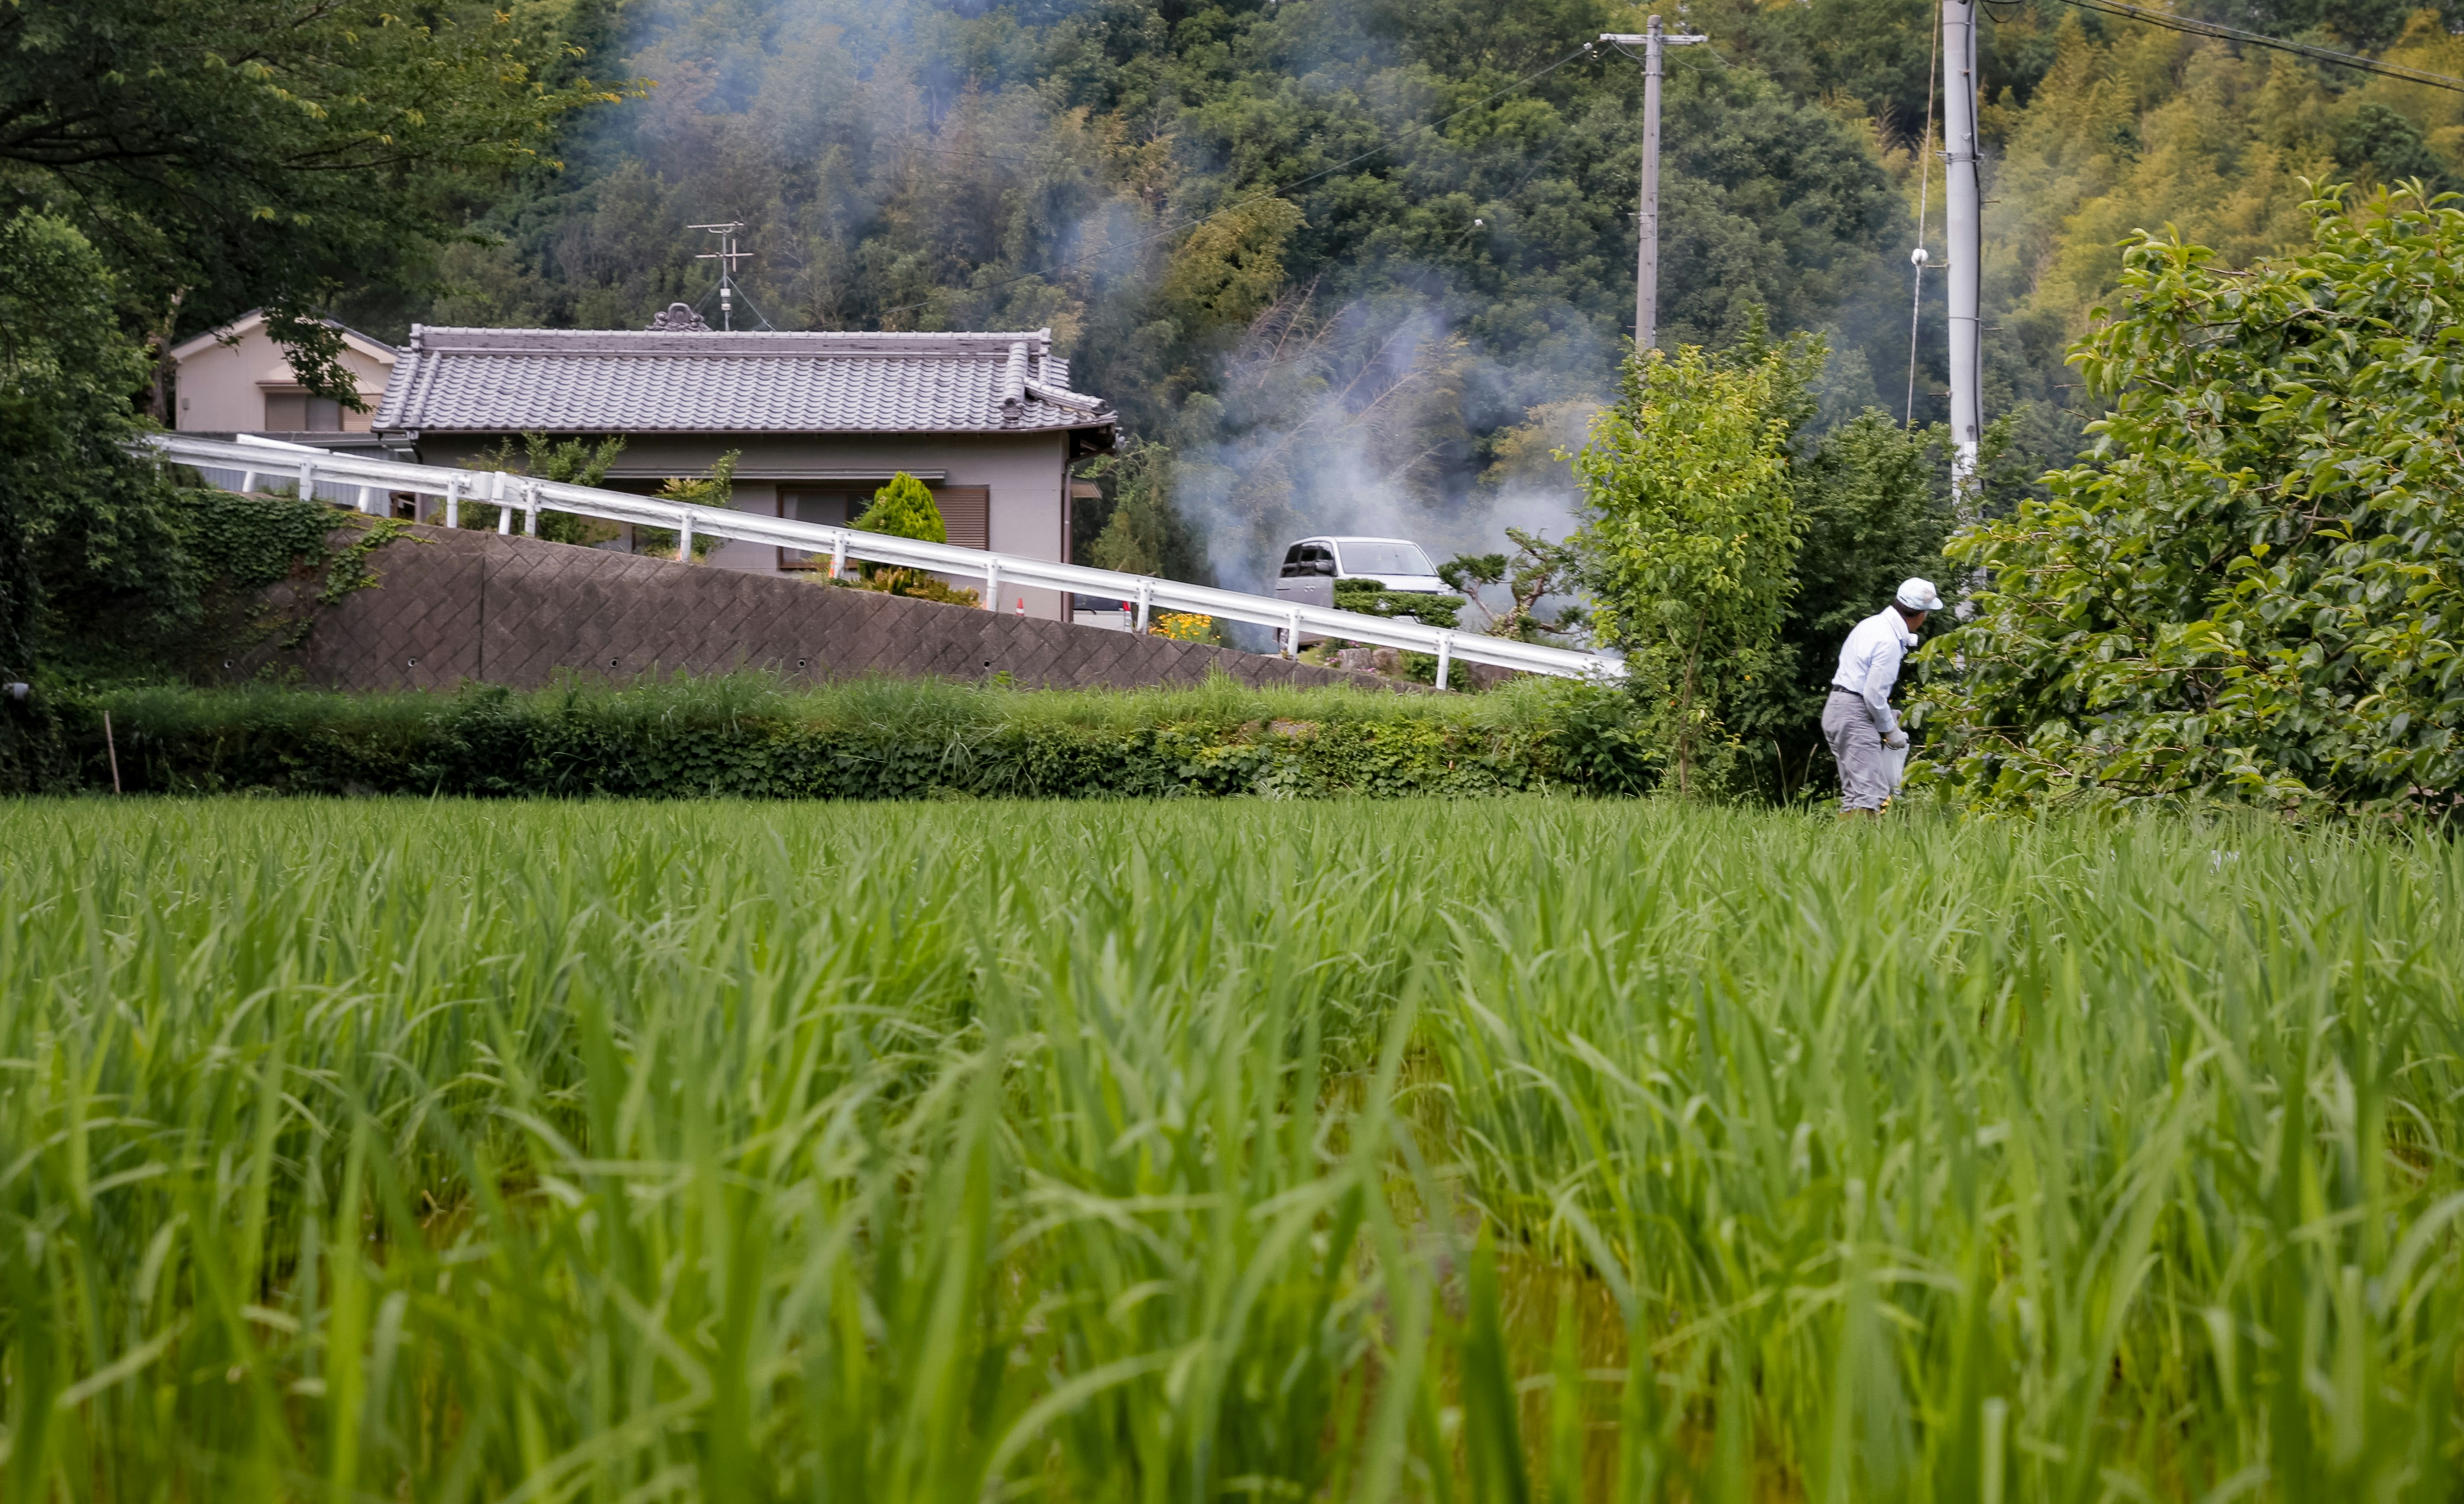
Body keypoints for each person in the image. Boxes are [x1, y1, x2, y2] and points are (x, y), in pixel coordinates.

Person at [1824, 578, 1943, 816]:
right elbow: (1873, 694)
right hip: (1854, 713)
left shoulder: (1872, 625)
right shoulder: (1889, 641)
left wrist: (1885, 715)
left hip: (1838, 707)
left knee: (1855, 795)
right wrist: (1891, 730)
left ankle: (1843, 851)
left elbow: (1858, 681)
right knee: (1871, 794)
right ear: (1921, 615)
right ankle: (1863, 850)